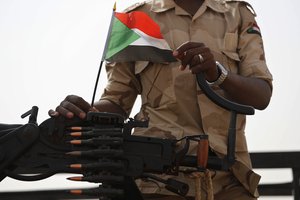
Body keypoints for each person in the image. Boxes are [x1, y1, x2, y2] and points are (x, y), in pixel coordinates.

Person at [49, 0, 273, 199]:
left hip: (230, 178)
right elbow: (117, 102)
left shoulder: (237, 14)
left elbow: (261, 95)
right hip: (158, 178)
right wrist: (87, 112)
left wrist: (218, 74)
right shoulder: (135, 19)